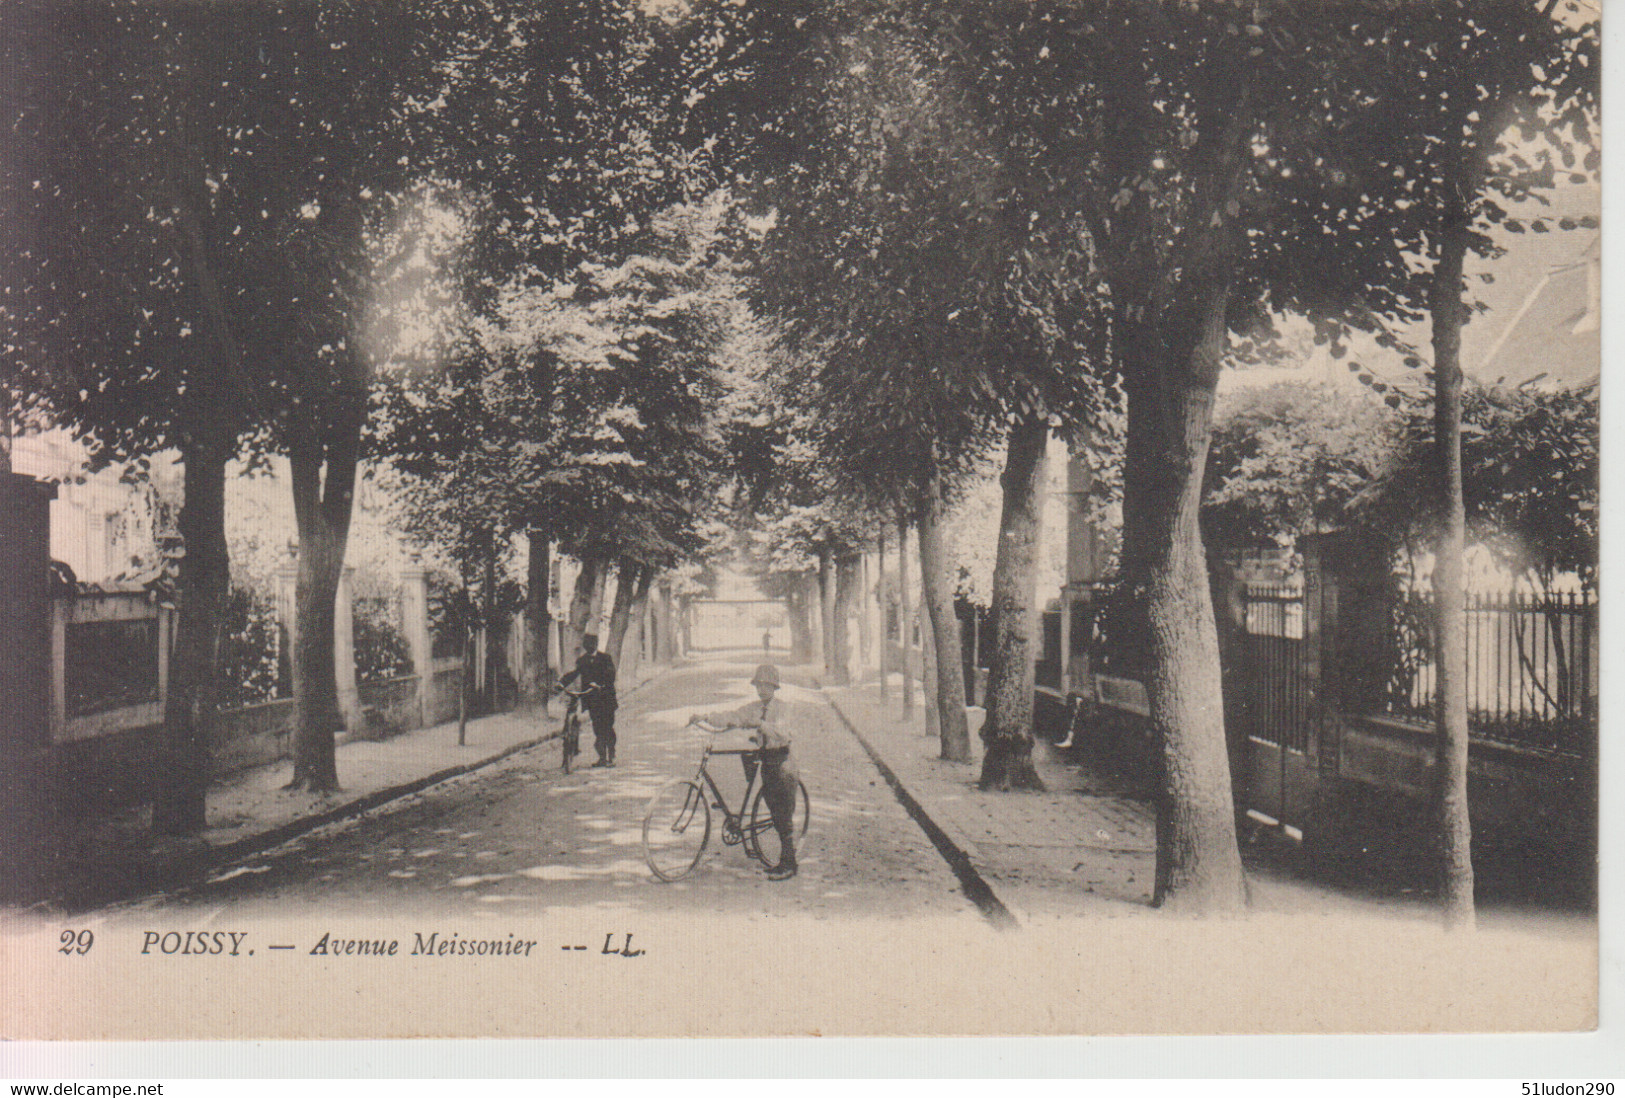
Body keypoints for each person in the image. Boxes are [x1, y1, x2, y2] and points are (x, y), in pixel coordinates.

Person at [688, 663, 799, 880]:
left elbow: (784, 734)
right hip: (765, 759)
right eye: (759, 685)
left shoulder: (783, 708)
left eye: (766, 686)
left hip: (782, 760)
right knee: (770, 803)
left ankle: (789, 864)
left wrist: (760, 724)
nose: (761, 690)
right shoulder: (754, 707)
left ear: (775, 687)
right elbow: (732, 716)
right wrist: (704, 717)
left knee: (781, 814)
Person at [559, 633, 618, 767]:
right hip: (592, 700)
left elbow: (611, 675)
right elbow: (575, 674)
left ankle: (611, 754)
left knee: (607, 727)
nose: (589, 647)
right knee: (597, 728)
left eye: (592, 644)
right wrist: (562, 683)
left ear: (596, 644)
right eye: (587, 645)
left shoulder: (605, 658)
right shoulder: (582, 661)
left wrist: (600, 684)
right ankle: (602, 758)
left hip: (606, 698)